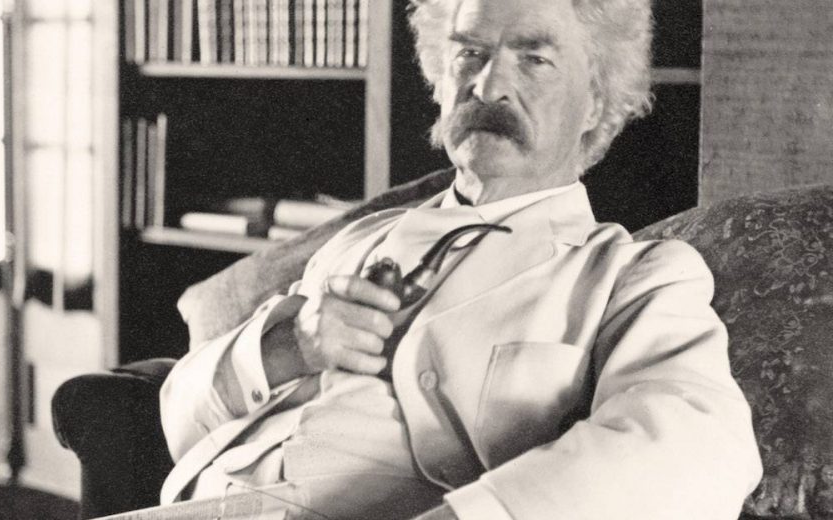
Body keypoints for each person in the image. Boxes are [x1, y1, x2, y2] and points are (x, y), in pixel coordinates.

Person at [158, 0, 763, 518]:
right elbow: (178, 424)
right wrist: (291, 345)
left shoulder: (628, 275)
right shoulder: (357, 240)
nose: (488, 85)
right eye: (469, 53)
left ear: (596, 102)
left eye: (534, 59)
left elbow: (697, 444)